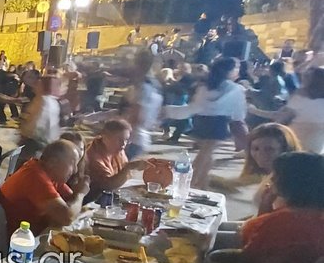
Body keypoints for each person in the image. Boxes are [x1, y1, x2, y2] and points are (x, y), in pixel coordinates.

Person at [237, 152, 324, 263]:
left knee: (212, 255)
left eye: (276, 175)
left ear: (291, 182)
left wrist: (264, 210)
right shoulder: (313, 214)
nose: (271, 179)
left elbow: (250, 253)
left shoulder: (286, 219)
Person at [164, 57, 247, 188]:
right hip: (219, 121)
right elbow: (238, 112)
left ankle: (202, 182)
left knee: (206, 153)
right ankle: (190, 182)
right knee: (205, 153)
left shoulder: (206, 86)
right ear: (229, 71)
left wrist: (169, 111)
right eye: (236, 68)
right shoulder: (235, 89)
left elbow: (195, 106)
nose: (238, 71)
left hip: (202, 120)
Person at [0, 140, 90, 237]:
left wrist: (76, 196)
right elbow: (67, 217)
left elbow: (71, 202)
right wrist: (80, 194)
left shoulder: (52, 175)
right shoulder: (34, 176)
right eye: (72, 164)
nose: (75, 170)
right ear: (52, 162)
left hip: (34, 235)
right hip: (19, 240)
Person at [248, 67, 324, 154]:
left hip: (295, 145)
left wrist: (253, 110)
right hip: (317, 148)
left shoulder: (299, 98)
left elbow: (278, 118)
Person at [83, 119, 147, 202]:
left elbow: (125, 176)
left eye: (126, 140)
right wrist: (128, 168)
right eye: (120, 140)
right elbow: (108, 185)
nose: (123, 144)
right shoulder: (93, 155)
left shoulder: (118, 150)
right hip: (93, 199)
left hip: (113, 194)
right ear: (105, 137)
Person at [120, 49, 163, 159]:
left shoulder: (144, 88)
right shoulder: (156, 87)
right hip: (142, 138)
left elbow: (136, 115)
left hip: (133, 138)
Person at [18, 75, 63, 163]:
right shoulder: (50, 100)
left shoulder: (44, 101)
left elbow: (36, 124)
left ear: (44, 87)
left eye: (38, 84)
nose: (34, 87)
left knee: (25, 165)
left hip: (36, 142)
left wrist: (24, 134)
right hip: (43, 141)